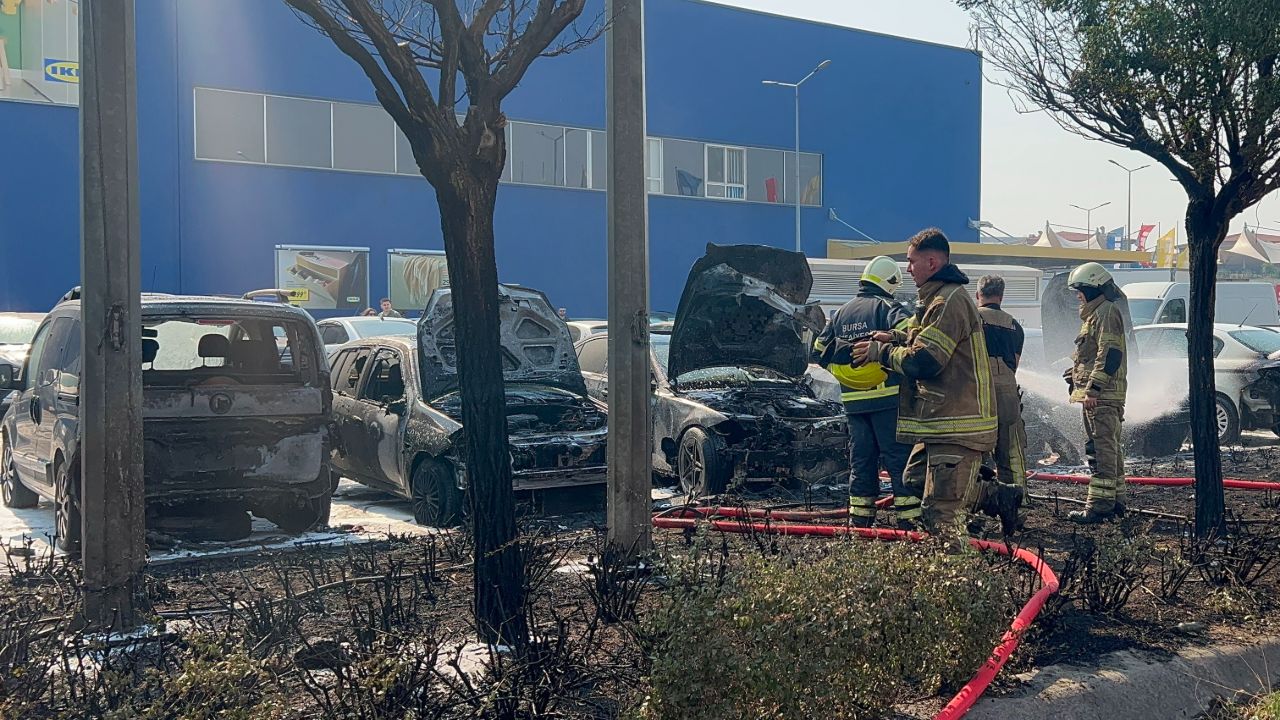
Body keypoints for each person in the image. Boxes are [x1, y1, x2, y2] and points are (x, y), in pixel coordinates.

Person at [853, 229, 1023, 537]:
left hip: (957, 423)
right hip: (940, 421)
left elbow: (925, 361)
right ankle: (997, 496)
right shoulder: (935, 299)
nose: (907, 269)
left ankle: (956, 580)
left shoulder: (948, 300)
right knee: (916, 480)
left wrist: (882, 352)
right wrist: (893, 337)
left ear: (932, 262)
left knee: (941, 513)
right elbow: (920, 333)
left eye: (911, 262)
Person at [812, 256, 921, 529]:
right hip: (887, 398)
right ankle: (909, 525)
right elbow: (913, 336)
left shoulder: (840, 313)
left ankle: (860, 522)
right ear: (890, 282)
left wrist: (848, 356)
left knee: (861, 462)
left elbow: (817, 352)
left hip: (853, 402)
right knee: (898, 461)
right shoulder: (887, 306)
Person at [1063, 262, 1128, 523]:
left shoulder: (1105, 312)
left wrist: (1093, 389)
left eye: (1080, 289)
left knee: (1100, 450)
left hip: (1101, 397)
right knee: (1108, 448)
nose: (1077, 295)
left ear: (1093, 288)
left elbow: (1110, 354)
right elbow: (1093, 354)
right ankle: (1116, 502)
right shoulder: (1096, 313)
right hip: (1099, 395)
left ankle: (1099, 506)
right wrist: (1074, 373)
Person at [976, 275, 1027, 490]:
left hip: (976, 396)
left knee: (973, 455)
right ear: (1001, 297)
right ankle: (1017, 503)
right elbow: (1014, 364)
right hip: (1007, 398)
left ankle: (974, 506)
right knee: (1011, 456)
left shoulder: (972, 319)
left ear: (977, 295)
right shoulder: (1015, 326)